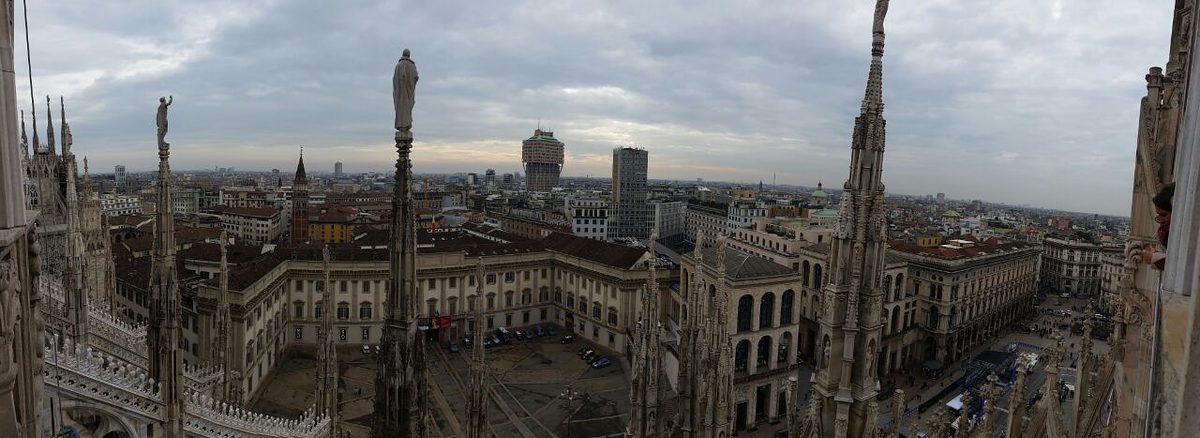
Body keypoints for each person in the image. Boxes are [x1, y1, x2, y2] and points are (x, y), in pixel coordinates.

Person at [1143, 183, 1175, 270]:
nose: (1160, 221)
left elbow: (1183, 262)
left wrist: (1154, 258)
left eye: (1164, 214)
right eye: (1158, 215)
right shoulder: (1166, 233)